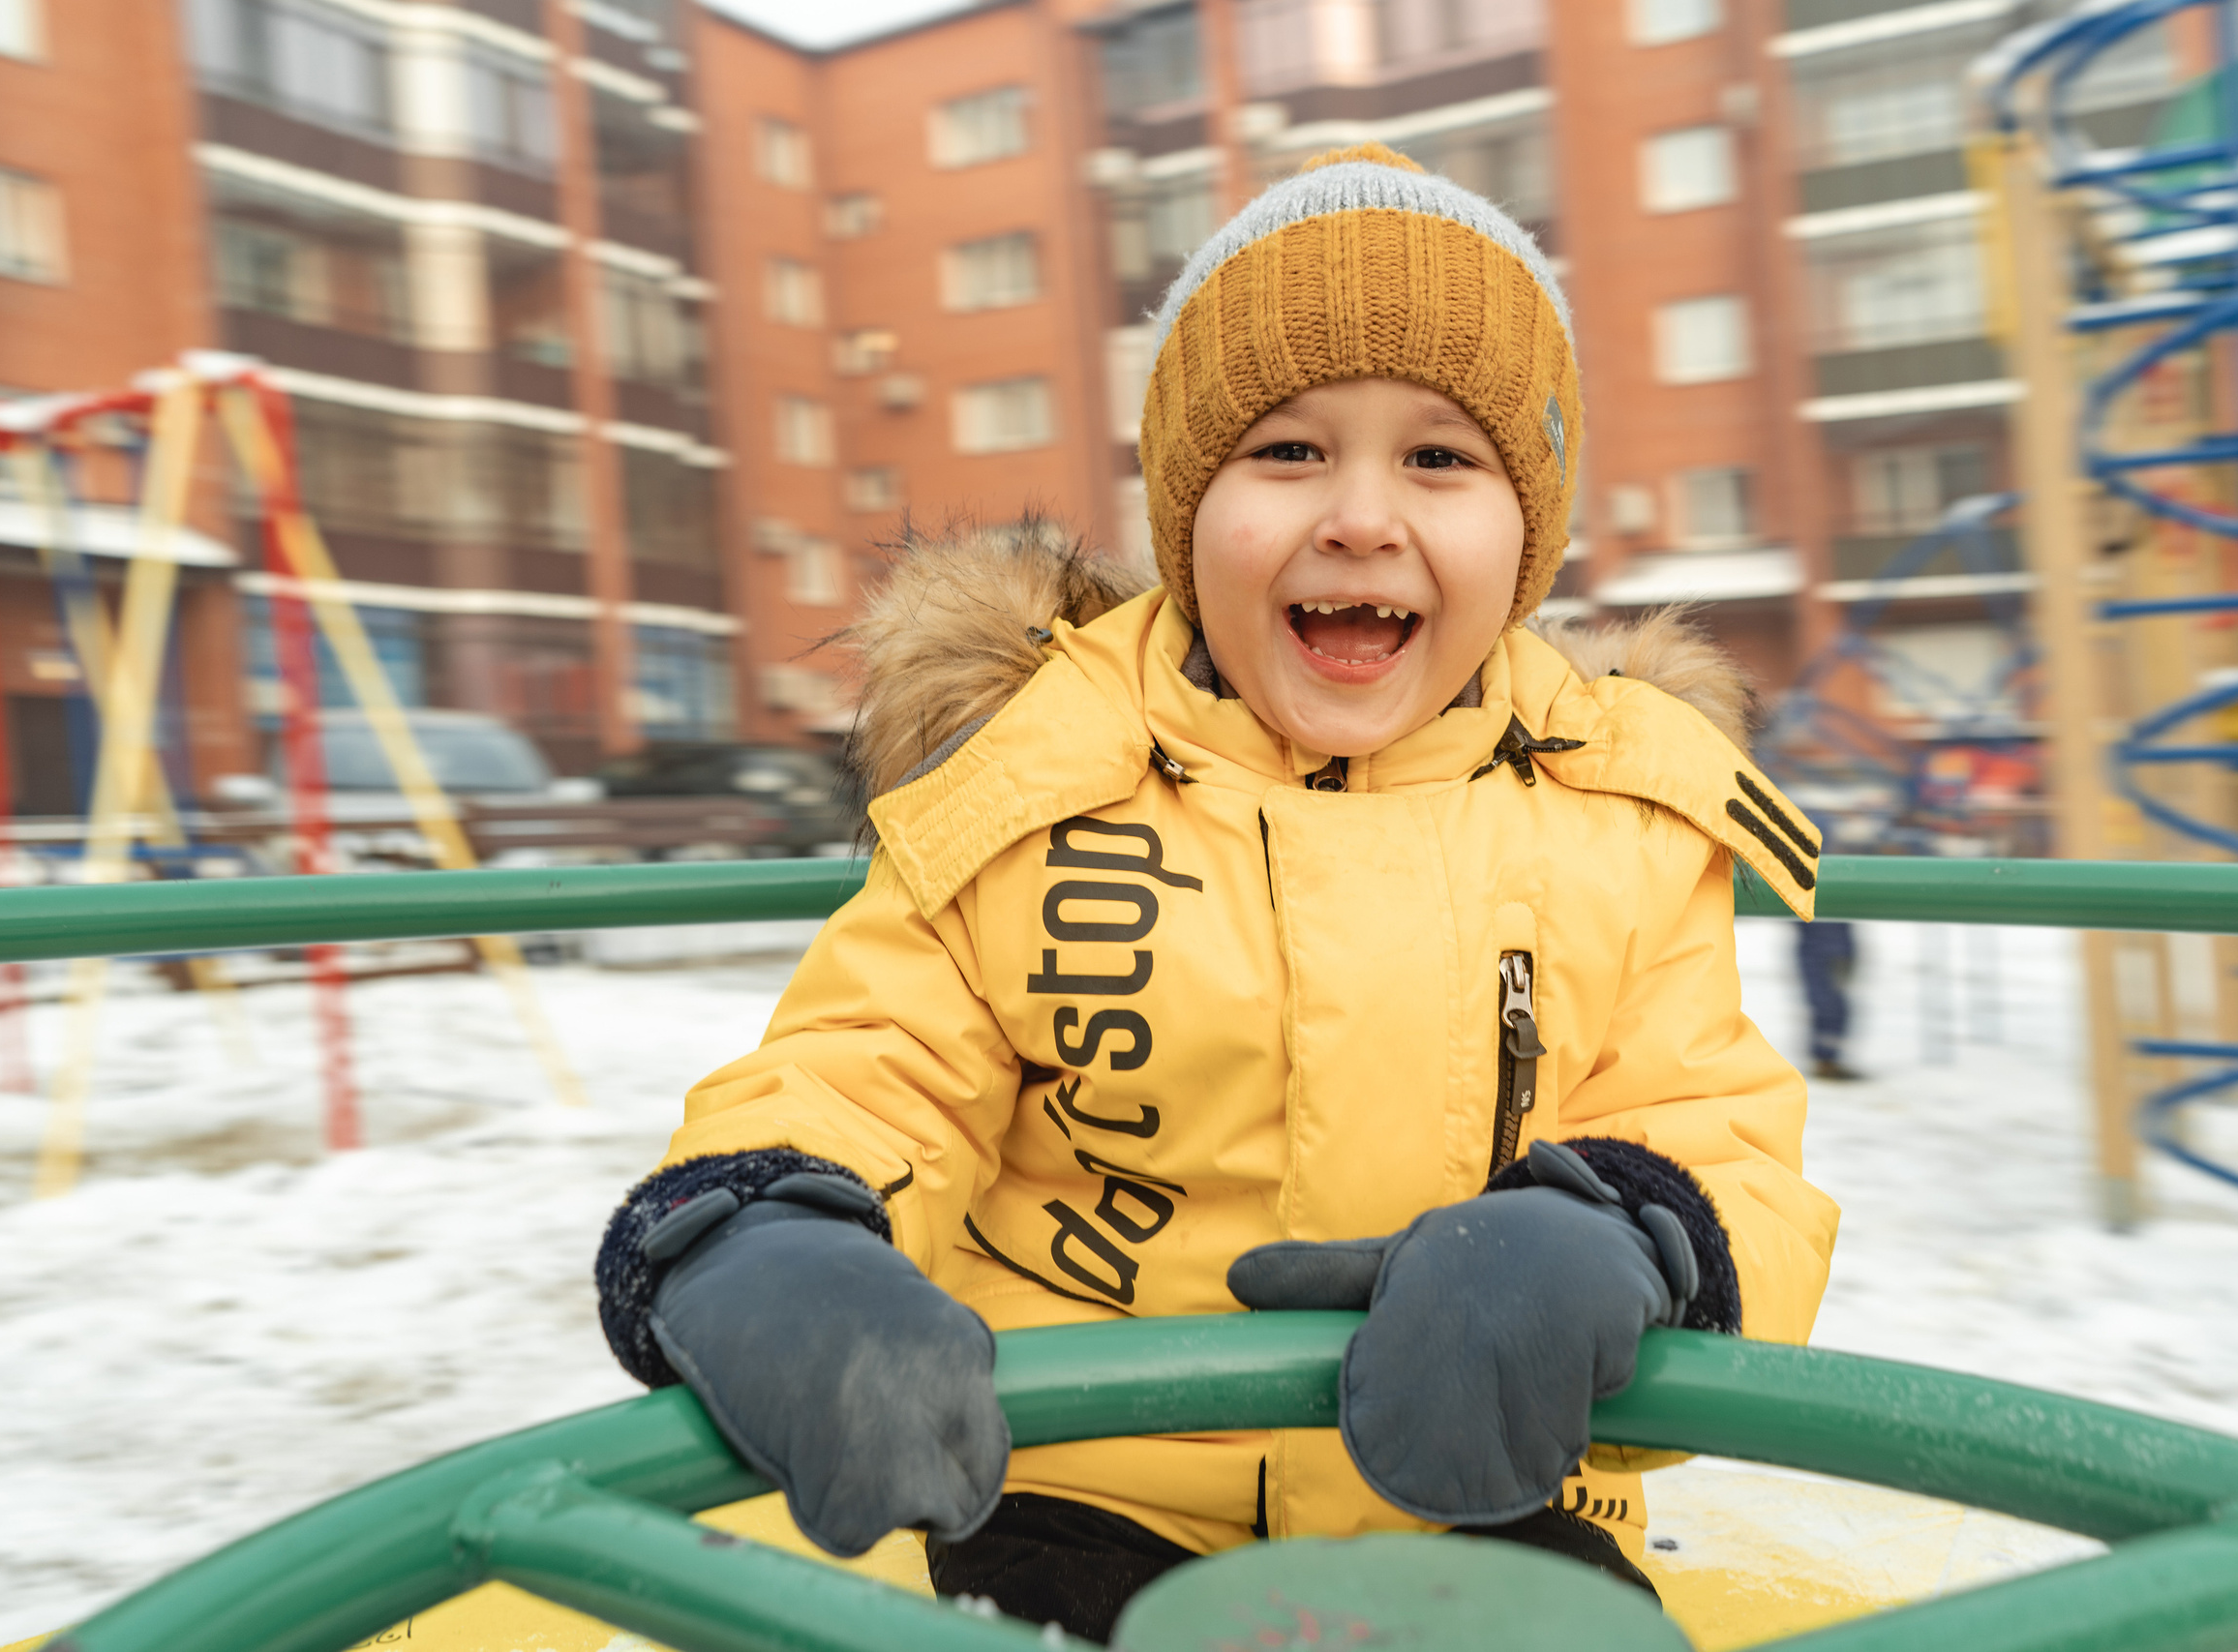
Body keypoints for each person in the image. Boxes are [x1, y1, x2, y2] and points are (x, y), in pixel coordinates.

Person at [592, 144, 1838, 1644]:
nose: (1363, 516)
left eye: (1441, 457)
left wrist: (1631, 1240)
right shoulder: (1039, 780)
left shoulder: (1616, 817)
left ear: (1533, 527)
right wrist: (763, 1224)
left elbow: (1715, 1129)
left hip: (1487, 1476)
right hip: (1077, 1482)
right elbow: (873, 1061)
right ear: (1188, 512)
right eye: (1288, 452)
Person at [1798, 920, 1860, 1081]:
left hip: (1829, 937)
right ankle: (1826, 1059)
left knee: (1830, 995)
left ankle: (1827, 1057)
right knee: (1828, 997)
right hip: (1827, 941)